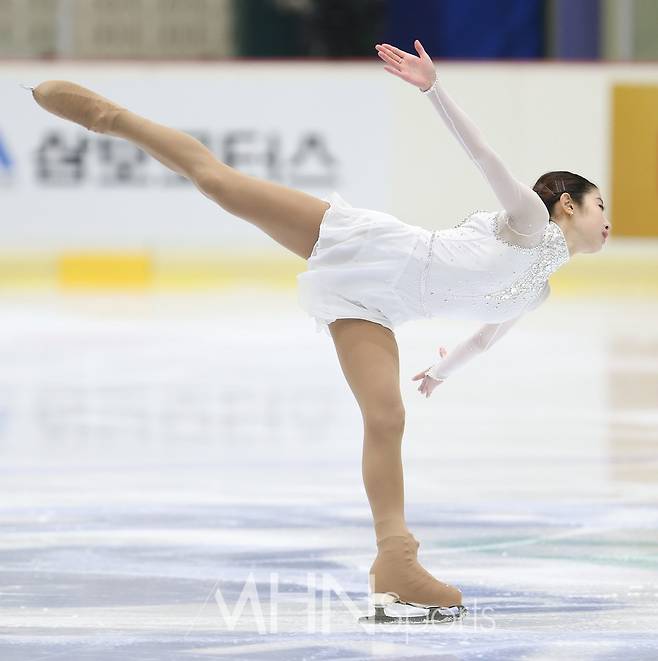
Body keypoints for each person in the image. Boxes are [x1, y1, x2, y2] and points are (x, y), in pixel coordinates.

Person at [24, 38, 609, 625]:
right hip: (375, 250)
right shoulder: (530, 224)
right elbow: (483, 156)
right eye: (599, 204)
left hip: (380, 307)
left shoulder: (537, 287)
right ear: (565, 205)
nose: (608, 218)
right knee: (221, 185)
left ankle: (395, 566)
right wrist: (435, 90)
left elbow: (486, 336)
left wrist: (439, 370)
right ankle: (116, 119)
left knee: (387, 418)